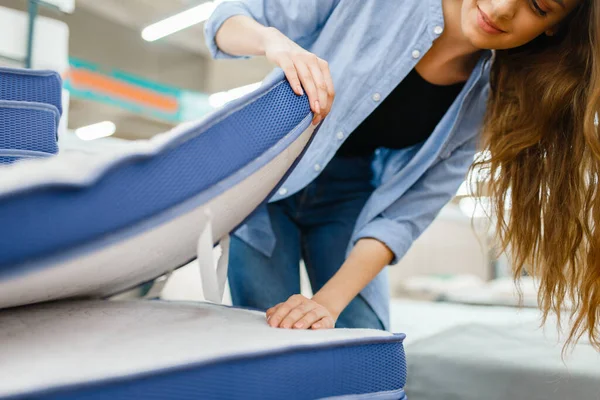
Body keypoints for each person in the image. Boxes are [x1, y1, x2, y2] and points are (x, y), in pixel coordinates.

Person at [205, 0, 599, 348]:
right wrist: (275, 42)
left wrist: (326, 304)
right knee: (267, 343)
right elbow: (226, 20)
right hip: (263, 191)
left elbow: (405, 214)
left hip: (350, 200)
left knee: (364, 348)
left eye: (539, 6)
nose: (500, 8)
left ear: (554, 26)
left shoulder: (492, 98)